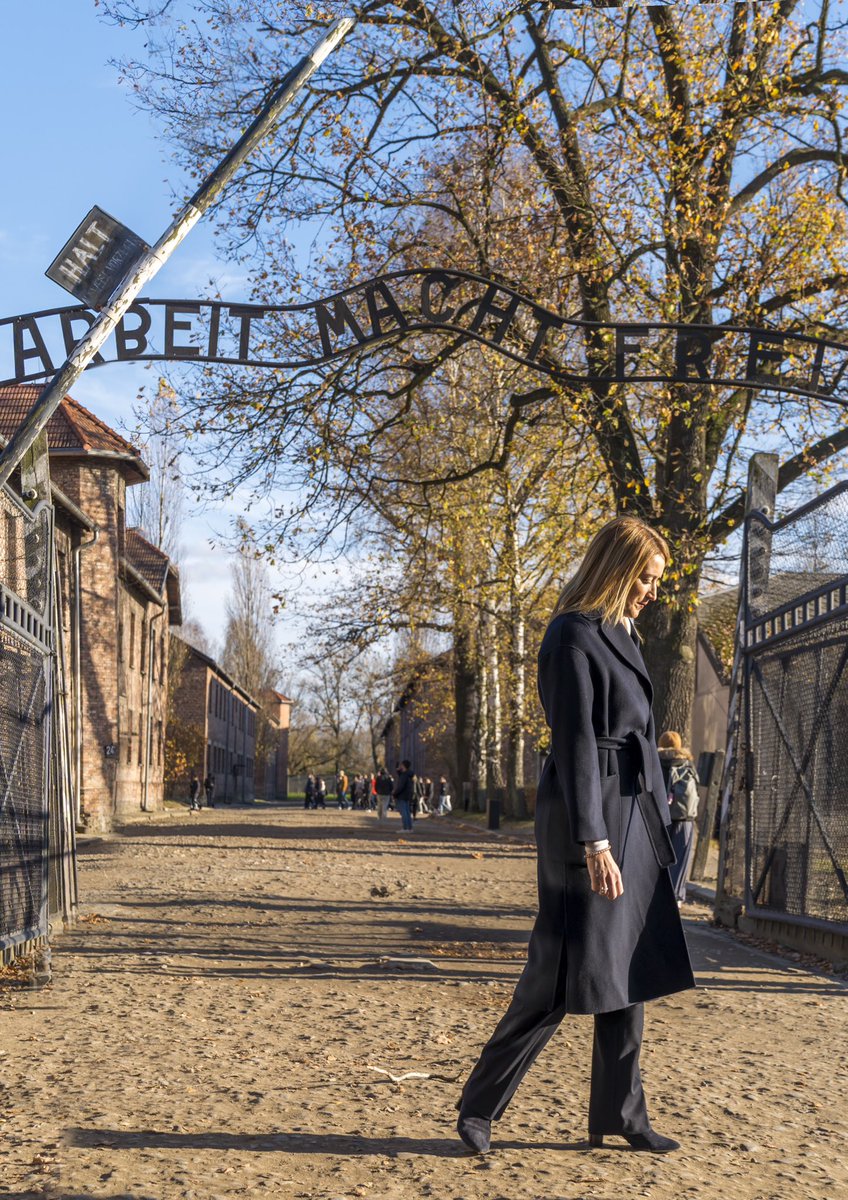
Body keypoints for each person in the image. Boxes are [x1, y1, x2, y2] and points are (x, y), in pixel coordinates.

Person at [456, 516, 694, 1157]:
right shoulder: (571, 637)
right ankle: (479, 1106)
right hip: (587, 819)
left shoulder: (621, 632)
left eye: (655, 582)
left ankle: (619, 1114)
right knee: (560, 971)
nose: (651, 591)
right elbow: (576, 743)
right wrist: (593, 841)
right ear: (616, 569)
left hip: (634, 811)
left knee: (632, 967)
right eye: (645, 578)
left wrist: (652, 818)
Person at [658, 731, 700, 906]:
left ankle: (656, 894)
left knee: (658, 856)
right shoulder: (686, 763)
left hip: (660, 816)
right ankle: (676, 897)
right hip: (684, 817)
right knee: (680, 857)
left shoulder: (656, 761)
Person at [392, 760, 415, 832]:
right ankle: (409, 827)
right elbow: (400, 774)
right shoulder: (408, 774)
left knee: (404, 812)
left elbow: (401, 786)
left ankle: (405, 827)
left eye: (401, 765)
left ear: (403, 766)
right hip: (407, 795)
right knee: (407, 812)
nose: (400, 766)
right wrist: (397, 770)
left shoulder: (404, 775)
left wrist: (395, 794)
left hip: (402, 795)